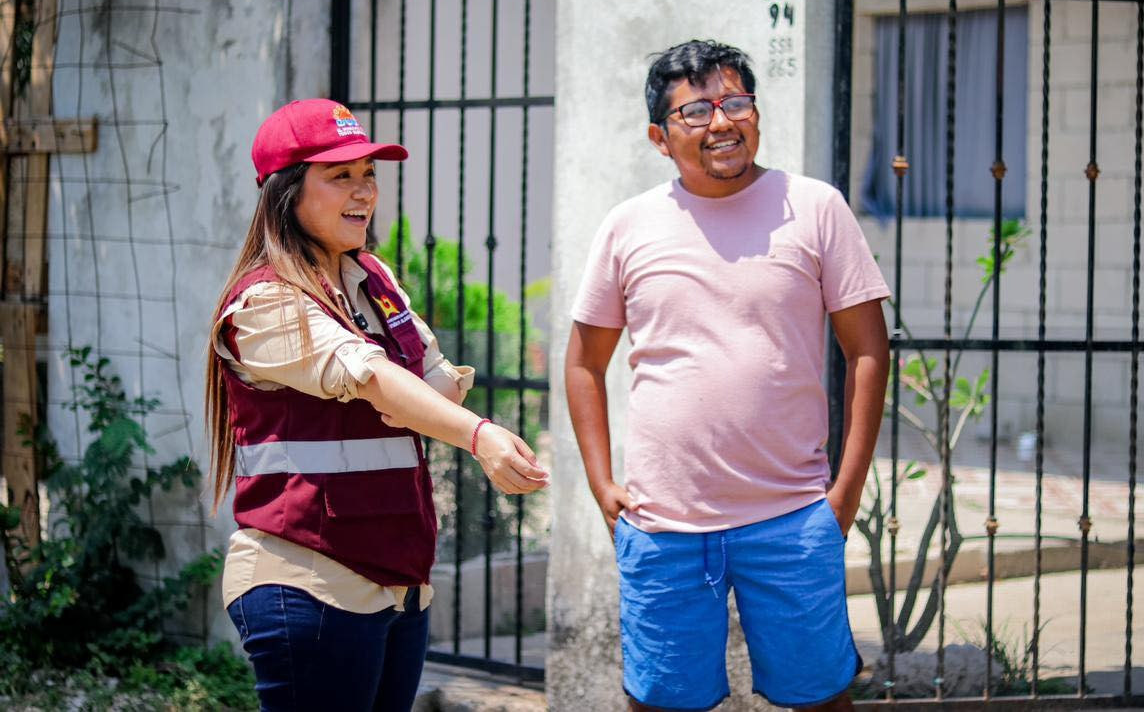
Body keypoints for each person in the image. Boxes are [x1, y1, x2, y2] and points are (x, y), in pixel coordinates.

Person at [565, 40, 891, 711]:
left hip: (794, 516)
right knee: (660, 703)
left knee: (822, 698)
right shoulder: (628, 227)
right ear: (660, 137)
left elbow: (868, 351)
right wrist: (602, 484)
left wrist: (845, 495)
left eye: (735, 102)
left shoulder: (816, 207)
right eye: (696, 111)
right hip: (663, 524)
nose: (721, 122)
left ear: (755, 113)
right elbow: (583, 364)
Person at [205, 98, 548, 712]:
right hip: (310, 581)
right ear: (286, 191)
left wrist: (411, 399)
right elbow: (371, 377)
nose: (363, 191)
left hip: (398, 584)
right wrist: (477, 434)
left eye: (369, 174)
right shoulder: (265, 303)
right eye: (340, 176)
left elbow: (432, 378)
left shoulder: (373, 281)